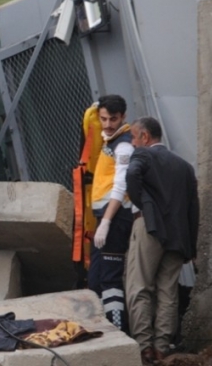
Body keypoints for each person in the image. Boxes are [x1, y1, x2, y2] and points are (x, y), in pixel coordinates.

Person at [125, 117, 199, 366]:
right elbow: (193, 206)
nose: (132, 143)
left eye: (134, 137)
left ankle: (144, 348)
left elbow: (132, 175)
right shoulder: (185, 167)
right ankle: (162, 348)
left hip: (150, 227)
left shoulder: (143, 156)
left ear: (145, 137)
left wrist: (144, 204)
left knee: (139, 286)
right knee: (168, 291)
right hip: (179, 235)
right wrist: (191, 245)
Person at [88, 94, 134, 333]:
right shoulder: (110, 140)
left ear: (123, 117)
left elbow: (121, 186)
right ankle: (105, 330)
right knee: (95, 280)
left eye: (113, 119)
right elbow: (88, 119)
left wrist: (106, 222)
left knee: (110, 280)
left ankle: (117, 333)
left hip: (114, 217)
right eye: (103, 118)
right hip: (104, 218)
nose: (107, 124)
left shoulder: (124, 145)